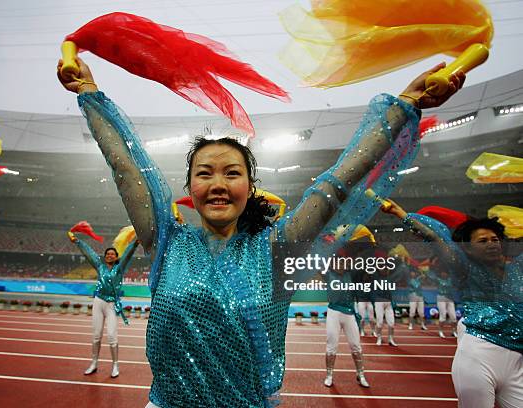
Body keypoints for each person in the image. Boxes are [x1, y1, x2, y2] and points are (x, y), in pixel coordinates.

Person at [58, 56, 464, 407]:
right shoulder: (167, 243)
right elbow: (127, 171)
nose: (218, 183)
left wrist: (404, 106)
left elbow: (338, 182)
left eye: (232, 173)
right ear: (190, 189)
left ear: (249, 189)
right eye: (205, 173)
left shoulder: (276, 249)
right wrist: (90, 95)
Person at [382, 199, 522, 408]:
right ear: (469, 250)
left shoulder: (517, 269)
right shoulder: (465, 268)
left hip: (517, 360)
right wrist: (402, 214)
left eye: (494, 239)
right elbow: (433, 236)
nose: (491, 243)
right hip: (479, 356)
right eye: (482, 241)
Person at [68, 231, 139, 377]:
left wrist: (135, 243)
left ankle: (115, 365)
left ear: (116, 257)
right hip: (99, 302)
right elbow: (89, 253)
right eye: (108, 254)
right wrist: (77, 241)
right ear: (105, 256)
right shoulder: (99, 266)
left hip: (111, 304)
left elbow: (128, 253)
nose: (110, 255)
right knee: (96, 336)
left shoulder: (120, 268)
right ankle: (94, 363)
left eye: (113, 254)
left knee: (112, 336)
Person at [323, 266, 370, 388]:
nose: (340, 265)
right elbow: (315, 265)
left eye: (343, 262)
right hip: (334, 312)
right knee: (331, 346)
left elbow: (366, 269)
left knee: (356, 345)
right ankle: (329, 375)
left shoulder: (352, 274)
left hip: (349, 314)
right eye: (338, 262)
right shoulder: (328, 274)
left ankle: (361, 374)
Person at [426, 259, 458, 338]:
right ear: (441, 274)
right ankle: (440, 331)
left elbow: (456, 275)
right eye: (442, 273)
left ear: (447, 274)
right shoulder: (438, 280)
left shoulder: (450, 280)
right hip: (441, 298)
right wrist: (430, 266)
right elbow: (430, 275)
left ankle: (454, 331)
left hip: (450, 299)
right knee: (443, 316)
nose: (444, 274)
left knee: (453, 317)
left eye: (445, 273)